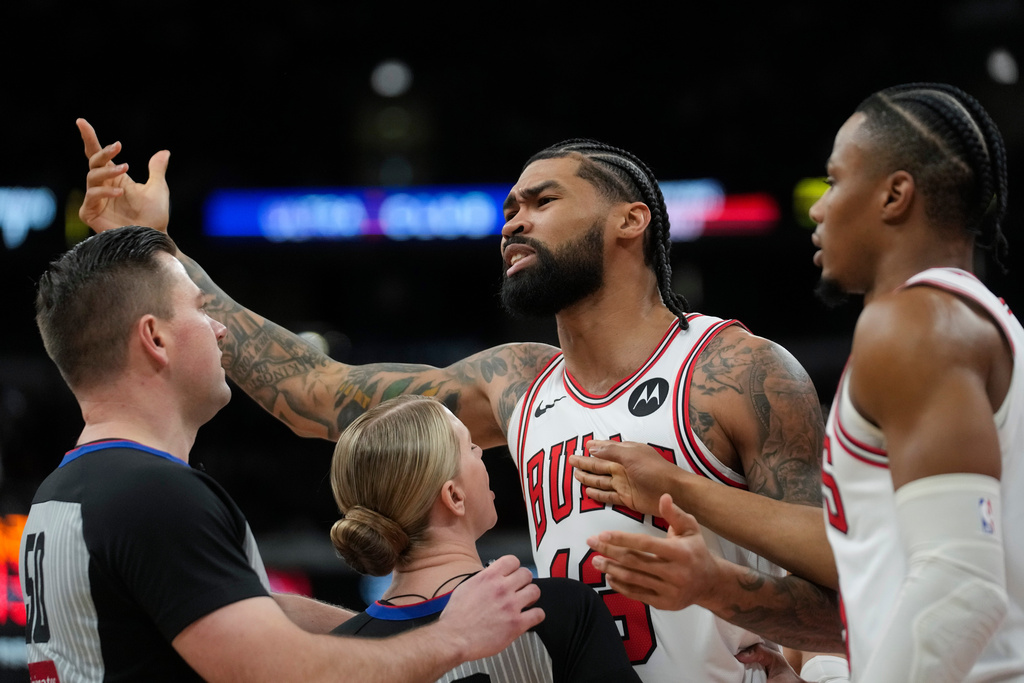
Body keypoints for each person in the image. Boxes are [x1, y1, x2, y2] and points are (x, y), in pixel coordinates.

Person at [76, 121, 844, 682]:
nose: (514, 220)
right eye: (509, 207)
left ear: (630, 220)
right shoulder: (516, 382)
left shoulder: (741, 370)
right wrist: (159, 254)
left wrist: (717, 587)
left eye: (541, 201)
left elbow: (843, 607)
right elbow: (316, 393)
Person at [600, 82, 1024, 682]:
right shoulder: (979, 317)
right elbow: (899, 557)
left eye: (834, 181)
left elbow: (960, 589)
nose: (819, 208)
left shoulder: (912, 324)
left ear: (895, 195)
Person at [19, 225, 544, 682]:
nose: (221, 329)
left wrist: (396, 624)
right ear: (154, 337)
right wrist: (453, 636)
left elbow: (240, 609)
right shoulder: (156, 495)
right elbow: (288, 673)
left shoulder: (62, 492)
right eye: (203, 312)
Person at [327, 393, 641, 682]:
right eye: (469, 446)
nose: (481, 452)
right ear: (454, 496)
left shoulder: (336, 659)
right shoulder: (553, 608)